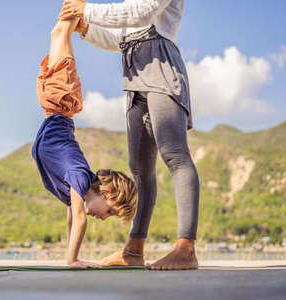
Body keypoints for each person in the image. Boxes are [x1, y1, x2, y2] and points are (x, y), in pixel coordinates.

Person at [59, 0, 200, 270]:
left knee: (175, 155)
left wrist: (86, 10)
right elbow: (122, 39)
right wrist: (86, 28)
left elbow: (141, 13)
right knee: (139, 167)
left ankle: (186, 248)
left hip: (161, 66)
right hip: (136, 75)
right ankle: (134, 250)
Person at [31, 16, 138, 268]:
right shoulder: (80, 177)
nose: (105, 217)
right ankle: (71, 15)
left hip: (53, 106)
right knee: (61, 34)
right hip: (62, 103)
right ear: (105, 191)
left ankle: (67, 21)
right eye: (110, 211)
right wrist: (74, 260)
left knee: (58, 35)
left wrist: (70, 256)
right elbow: (80, 221)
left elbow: (71, 218)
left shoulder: (75, 190)